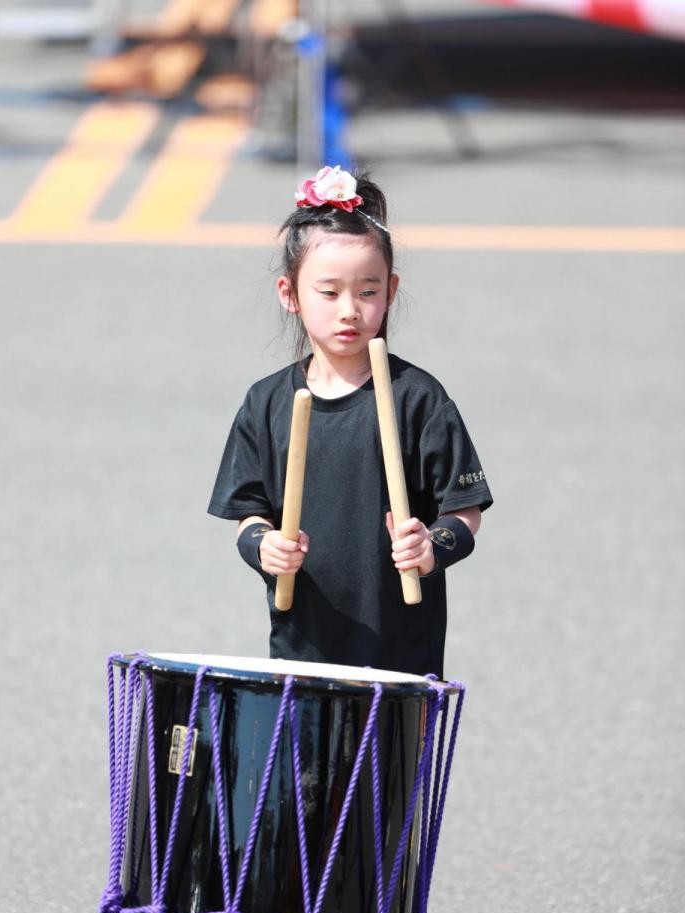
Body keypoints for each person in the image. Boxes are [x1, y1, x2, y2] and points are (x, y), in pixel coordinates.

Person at [208, 166, 493, 678]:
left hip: (401, 653)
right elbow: (247, 517)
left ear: (391, 290)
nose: (350, 310)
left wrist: (431, 547)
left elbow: (465, 512)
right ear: (289, 294)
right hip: (303, 649)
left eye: (368, 292)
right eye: (329, 292)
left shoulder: (419, 399)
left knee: (387, 763)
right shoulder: (267, 402)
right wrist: (264, 547)